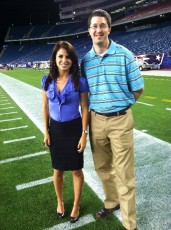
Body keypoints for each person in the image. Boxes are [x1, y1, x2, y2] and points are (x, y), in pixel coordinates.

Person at [81, 9, 144, 230]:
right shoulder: (86, 61)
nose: (98, 30)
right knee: (103, 168)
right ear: (89, 31)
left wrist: (120, 106)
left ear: (109, 28)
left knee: (124, 174)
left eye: (102, 25)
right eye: (94, 26)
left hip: (120, 121)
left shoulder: (124, 55)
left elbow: (138, 89)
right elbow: (85, 96)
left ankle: (130, 224)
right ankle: (112, 202)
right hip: (96, 121)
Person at [41, 41, 89, 223]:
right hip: (56, 130)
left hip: (74, 129)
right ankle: (60, 201)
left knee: (76, 170)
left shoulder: (80, 81)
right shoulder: (46, 81)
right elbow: (45, 108)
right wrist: (46, 131)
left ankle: (76, 204)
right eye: (60, 56)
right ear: (54, 59)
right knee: (57, 170)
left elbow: (85, 109)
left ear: (73, 60)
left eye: (68, 57)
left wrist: (84, 134)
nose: (64, 60)